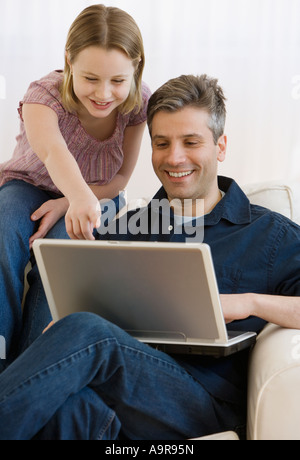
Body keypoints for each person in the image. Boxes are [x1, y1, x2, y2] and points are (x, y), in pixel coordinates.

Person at [1, 74, 300, 440]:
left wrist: (249, 302)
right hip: (120, 401)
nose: (175, 158)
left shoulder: (269, 235)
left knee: (88, 331)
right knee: (70, 406)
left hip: (201, 403)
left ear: (220, 146)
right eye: (162, 143)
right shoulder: (123, 229)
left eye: (191, 142)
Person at [0, 4, 151, 362]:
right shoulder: (44, 95)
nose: (103, 93)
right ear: (68, 61)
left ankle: (31, 365)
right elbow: (53, 152)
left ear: (136, 67)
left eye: (117, 80)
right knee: (5, 229)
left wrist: (72, 202)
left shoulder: (138, 102)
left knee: (64, 247)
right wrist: (75, 194)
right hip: (30, 184)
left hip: (99, 192)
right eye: (90, 78)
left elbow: (121, 178)